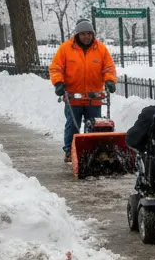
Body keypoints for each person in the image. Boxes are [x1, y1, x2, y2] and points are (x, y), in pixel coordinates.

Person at [50, 19, 117, 162]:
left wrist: (110, 80)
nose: (86, 37)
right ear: (77, 35)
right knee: (72, 125)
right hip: (73, 96)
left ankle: (95, 151)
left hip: (94, 96)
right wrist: (58, 83)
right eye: (83, 34)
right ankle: (69, 150)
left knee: (95, 124)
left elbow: (108, 68)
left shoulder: (101, 49)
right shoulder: (65, 49)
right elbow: (56, 68)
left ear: (93, 34)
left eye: (89, 34)